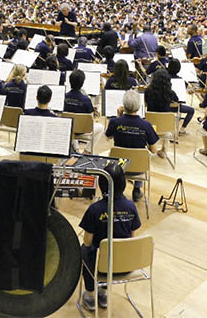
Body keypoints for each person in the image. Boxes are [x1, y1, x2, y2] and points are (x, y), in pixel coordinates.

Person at [78, 163, 141, 312]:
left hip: (101, 267)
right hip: (124, 265)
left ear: (101, 184)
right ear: (124, 184)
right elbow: (132, 237)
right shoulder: (131, 206)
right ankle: (104, 293)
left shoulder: (95, 209)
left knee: (85, 251)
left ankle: (90, 295)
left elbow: (87, 241)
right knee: (111, 252)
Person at [105, 90, 159, 202]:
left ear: (124, 106)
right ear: (139, 106)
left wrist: (118, 117)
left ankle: (118, 190)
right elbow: (154, 150)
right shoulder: (146, 125)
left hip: (118, 168)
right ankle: (137, 189)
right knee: (141, 153)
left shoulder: (115, 122)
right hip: (139, 168)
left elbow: (108, 137)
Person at [144, 68, 195, 135]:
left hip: (150, 126)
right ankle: (182, 129)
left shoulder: (148, 91)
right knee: (191, 110)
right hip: (166, 127)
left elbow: (146, 103)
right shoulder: (170, 92)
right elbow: (176, 101)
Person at [64, 70, 105, 153]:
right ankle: (87, 151)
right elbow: (91, 119)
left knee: (72, 123)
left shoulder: (63, 97)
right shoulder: (86, 100)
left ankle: (76, 148)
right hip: (82, 132)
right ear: (82, 83)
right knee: (100, 127)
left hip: (68, 128)